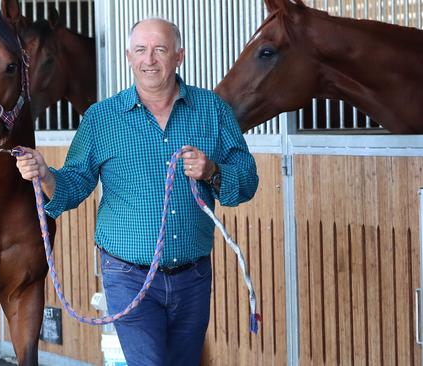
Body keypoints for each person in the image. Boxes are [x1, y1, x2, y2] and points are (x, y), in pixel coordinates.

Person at [16, 17, 258, 366]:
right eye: (141, 50)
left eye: (160, 50)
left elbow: (246, 182)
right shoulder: (101, 119)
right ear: (129, 57)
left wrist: (213, 171)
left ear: (179, 56)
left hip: (193, 276)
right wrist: (45, 176)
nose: (150, 60)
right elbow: (73, 185)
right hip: (128, 275)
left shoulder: (213, 110)